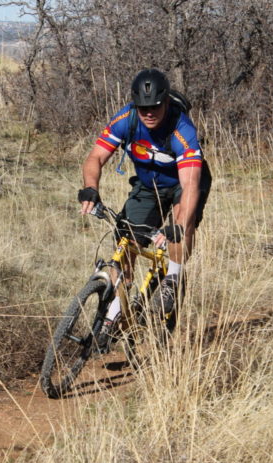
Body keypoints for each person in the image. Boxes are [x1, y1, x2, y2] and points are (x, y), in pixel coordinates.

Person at [77, 68, 211, 342]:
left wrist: (178, 223)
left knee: (179, 227)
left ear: (165, 103)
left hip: (182, 186)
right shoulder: (127, 119)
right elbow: (95, 158)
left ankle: (173, 278)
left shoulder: (181, 129)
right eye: (143, 108)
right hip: (148, 186)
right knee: (126, 243)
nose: (149, 113)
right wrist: (91, 188)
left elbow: (190, 186)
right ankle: (113, 314)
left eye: (155, 107)